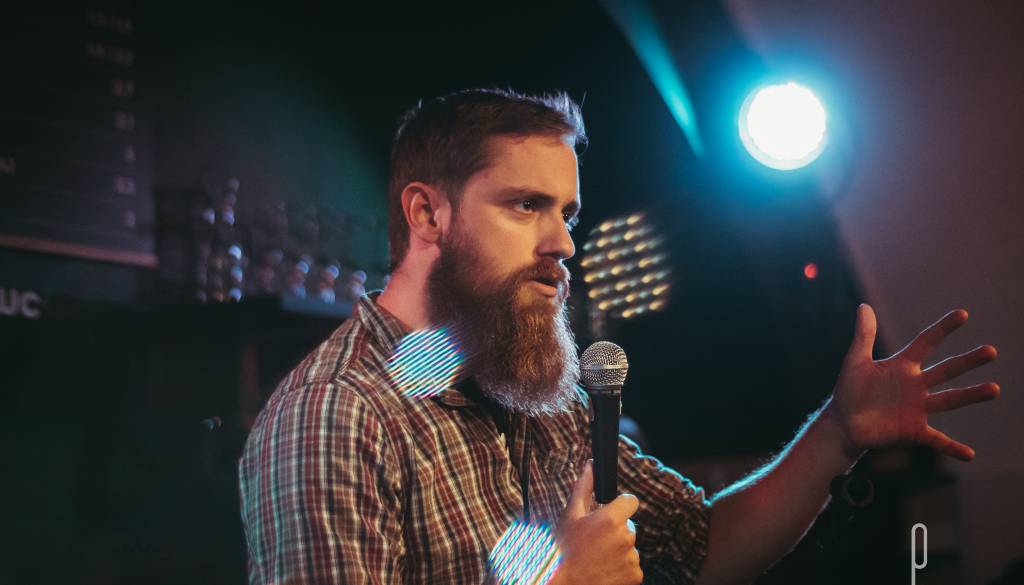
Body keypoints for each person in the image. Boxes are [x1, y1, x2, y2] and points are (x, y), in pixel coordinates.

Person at [238, 88, 1000, 584]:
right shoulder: (336, 415)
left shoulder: (535, 393)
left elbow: (704, 547)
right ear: (427, 215)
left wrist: (838, 431)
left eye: (566, 213)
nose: (563, 243)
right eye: (525, 205)